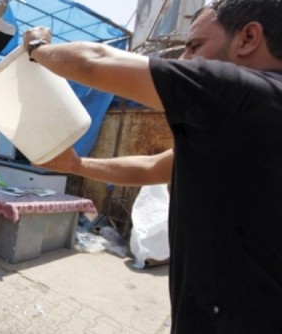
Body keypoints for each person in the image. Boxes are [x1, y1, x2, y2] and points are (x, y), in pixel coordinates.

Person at [24, 0, 282, 332]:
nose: (185, 59)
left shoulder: (239, 90)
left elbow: (93, 62)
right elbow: (152, 167)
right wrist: (76, 163)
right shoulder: (251, 119)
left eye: (195, 46)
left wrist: (38, 47)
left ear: (248, 38)